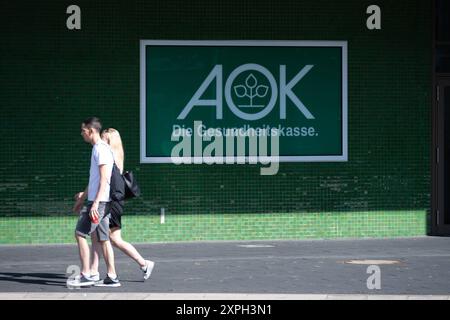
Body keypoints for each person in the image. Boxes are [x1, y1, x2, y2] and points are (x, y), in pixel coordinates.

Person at [89, 128, 155, 281]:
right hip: (116, 202)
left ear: (110, 141)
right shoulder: (115, 157)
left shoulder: (109, 157)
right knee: (109, 238)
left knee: (106, 238)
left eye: (104, 139)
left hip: (112, 202)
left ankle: (97, 272)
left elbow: (104, 180)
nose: (101, 142)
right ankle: (143, 264)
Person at [69, 117, 121, 287]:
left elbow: (104, 178)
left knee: (80, 233)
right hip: (99, 200)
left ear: (91, 131)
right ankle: (112, 277)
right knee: (103, 239)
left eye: (83, 131)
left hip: (99, 202)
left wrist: (95, 203)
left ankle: (86, 274)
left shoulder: (101, 149)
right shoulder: (99, 149)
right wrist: (82, 199)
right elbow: (95, 179)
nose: (81, 134)